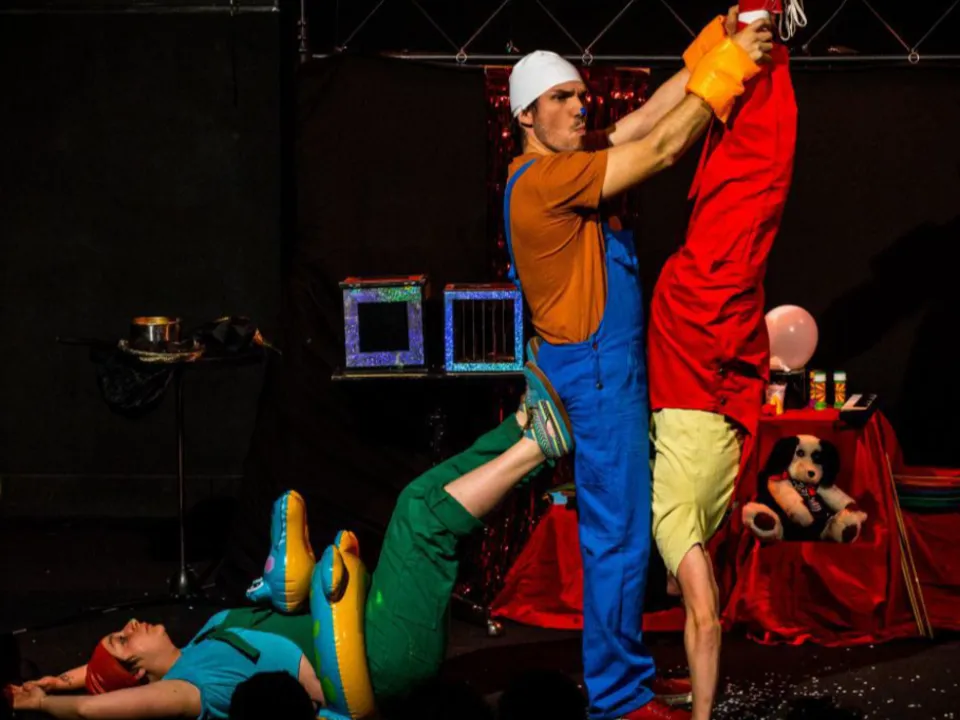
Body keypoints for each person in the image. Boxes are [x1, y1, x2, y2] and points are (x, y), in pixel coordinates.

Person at [503, 7, 772, 720]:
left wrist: (714, 44)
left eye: (578, 95)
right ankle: (619, 699)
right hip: (594, 372)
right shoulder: (544, 180)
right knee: (618, 538)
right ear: (526, 114)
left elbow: (647, 118)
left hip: (607, 366)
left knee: (622, 536)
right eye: (560, 98)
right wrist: (734, 68)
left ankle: (627, 682)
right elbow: (660, 150)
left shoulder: (568, 161)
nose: (578, 106)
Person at [4, 390, 573, 719]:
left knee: (413, 499)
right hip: (383, 659)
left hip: (374, 625)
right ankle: (540, 445)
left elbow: (96, 681)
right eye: (123, 641)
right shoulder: (194, 685)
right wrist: (45, 707)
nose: (129, 626)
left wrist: (55, 680)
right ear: (137, 672)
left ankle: (524, 426)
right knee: (425, 521)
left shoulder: (205, 637)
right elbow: (98, 707)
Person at [647, 1, 798, 719]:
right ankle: (754, 36)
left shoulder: (681, 532)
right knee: (746, 186)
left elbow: (701, 620)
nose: (678, 588)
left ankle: (748, 35)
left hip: (707, 348)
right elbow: (703, 620)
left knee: (743, 184)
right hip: (706, 351)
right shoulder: (682, 532)